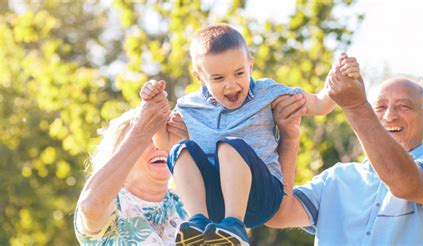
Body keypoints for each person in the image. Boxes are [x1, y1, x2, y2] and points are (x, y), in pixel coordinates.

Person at [139, 24, 360, 245]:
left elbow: (320, 105)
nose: (231, 84)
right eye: (218, 78)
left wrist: (339, 78)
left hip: (262, 197)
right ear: (200, 78)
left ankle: (234, 226)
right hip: (214, 203)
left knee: (229, 146)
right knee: (182, 150)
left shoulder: (267, 93)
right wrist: (155, 108)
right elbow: (168, 148)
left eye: (239, 73)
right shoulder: (189, 107)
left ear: (250, 66)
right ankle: (198, 223)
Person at [267, 71, 423, 245]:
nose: (389, 116)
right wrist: (290, 138)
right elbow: (278, 215)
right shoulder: (335, 178)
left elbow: (405, 183)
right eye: (379, 107)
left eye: (404, 106)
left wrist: (356, 105)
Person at [74, 91, 189, 245]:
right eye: (149, 139)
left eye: (163, 137)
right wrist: (141, 131)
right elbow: (90, 206)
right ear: (121, 151)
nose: (158, 147)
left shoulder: (187, 203)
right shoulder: (115, 203)